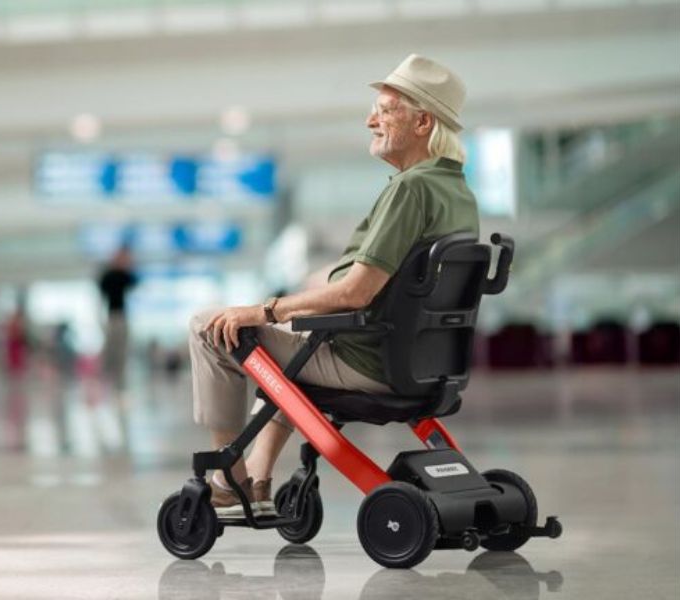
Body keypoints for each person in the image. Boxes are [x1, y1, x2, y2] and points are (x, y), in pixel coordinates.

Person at [188, 54, 480, 518]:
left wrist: (264, 310)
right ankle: (259, 479)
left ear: (423, 122)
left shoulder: (411, 189)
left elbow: (355, 294)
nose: (371, 120)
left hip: (368, 361)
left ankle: (229, 479)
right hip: (423, 365)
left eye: (386, 109)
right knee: (289, 358)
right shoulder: (457, 193)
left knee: (211, 325)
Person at [98, 246, 138, 389]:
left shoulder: (124, 274)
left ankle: (120, 381)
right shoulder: (109, 275)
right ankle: (108, 377)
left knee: (122, 349)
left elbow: (135, 282)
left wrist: (128, 267)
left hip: (122, 316)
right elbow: (101, 287)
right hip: (111, 316)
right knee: (111, 348)